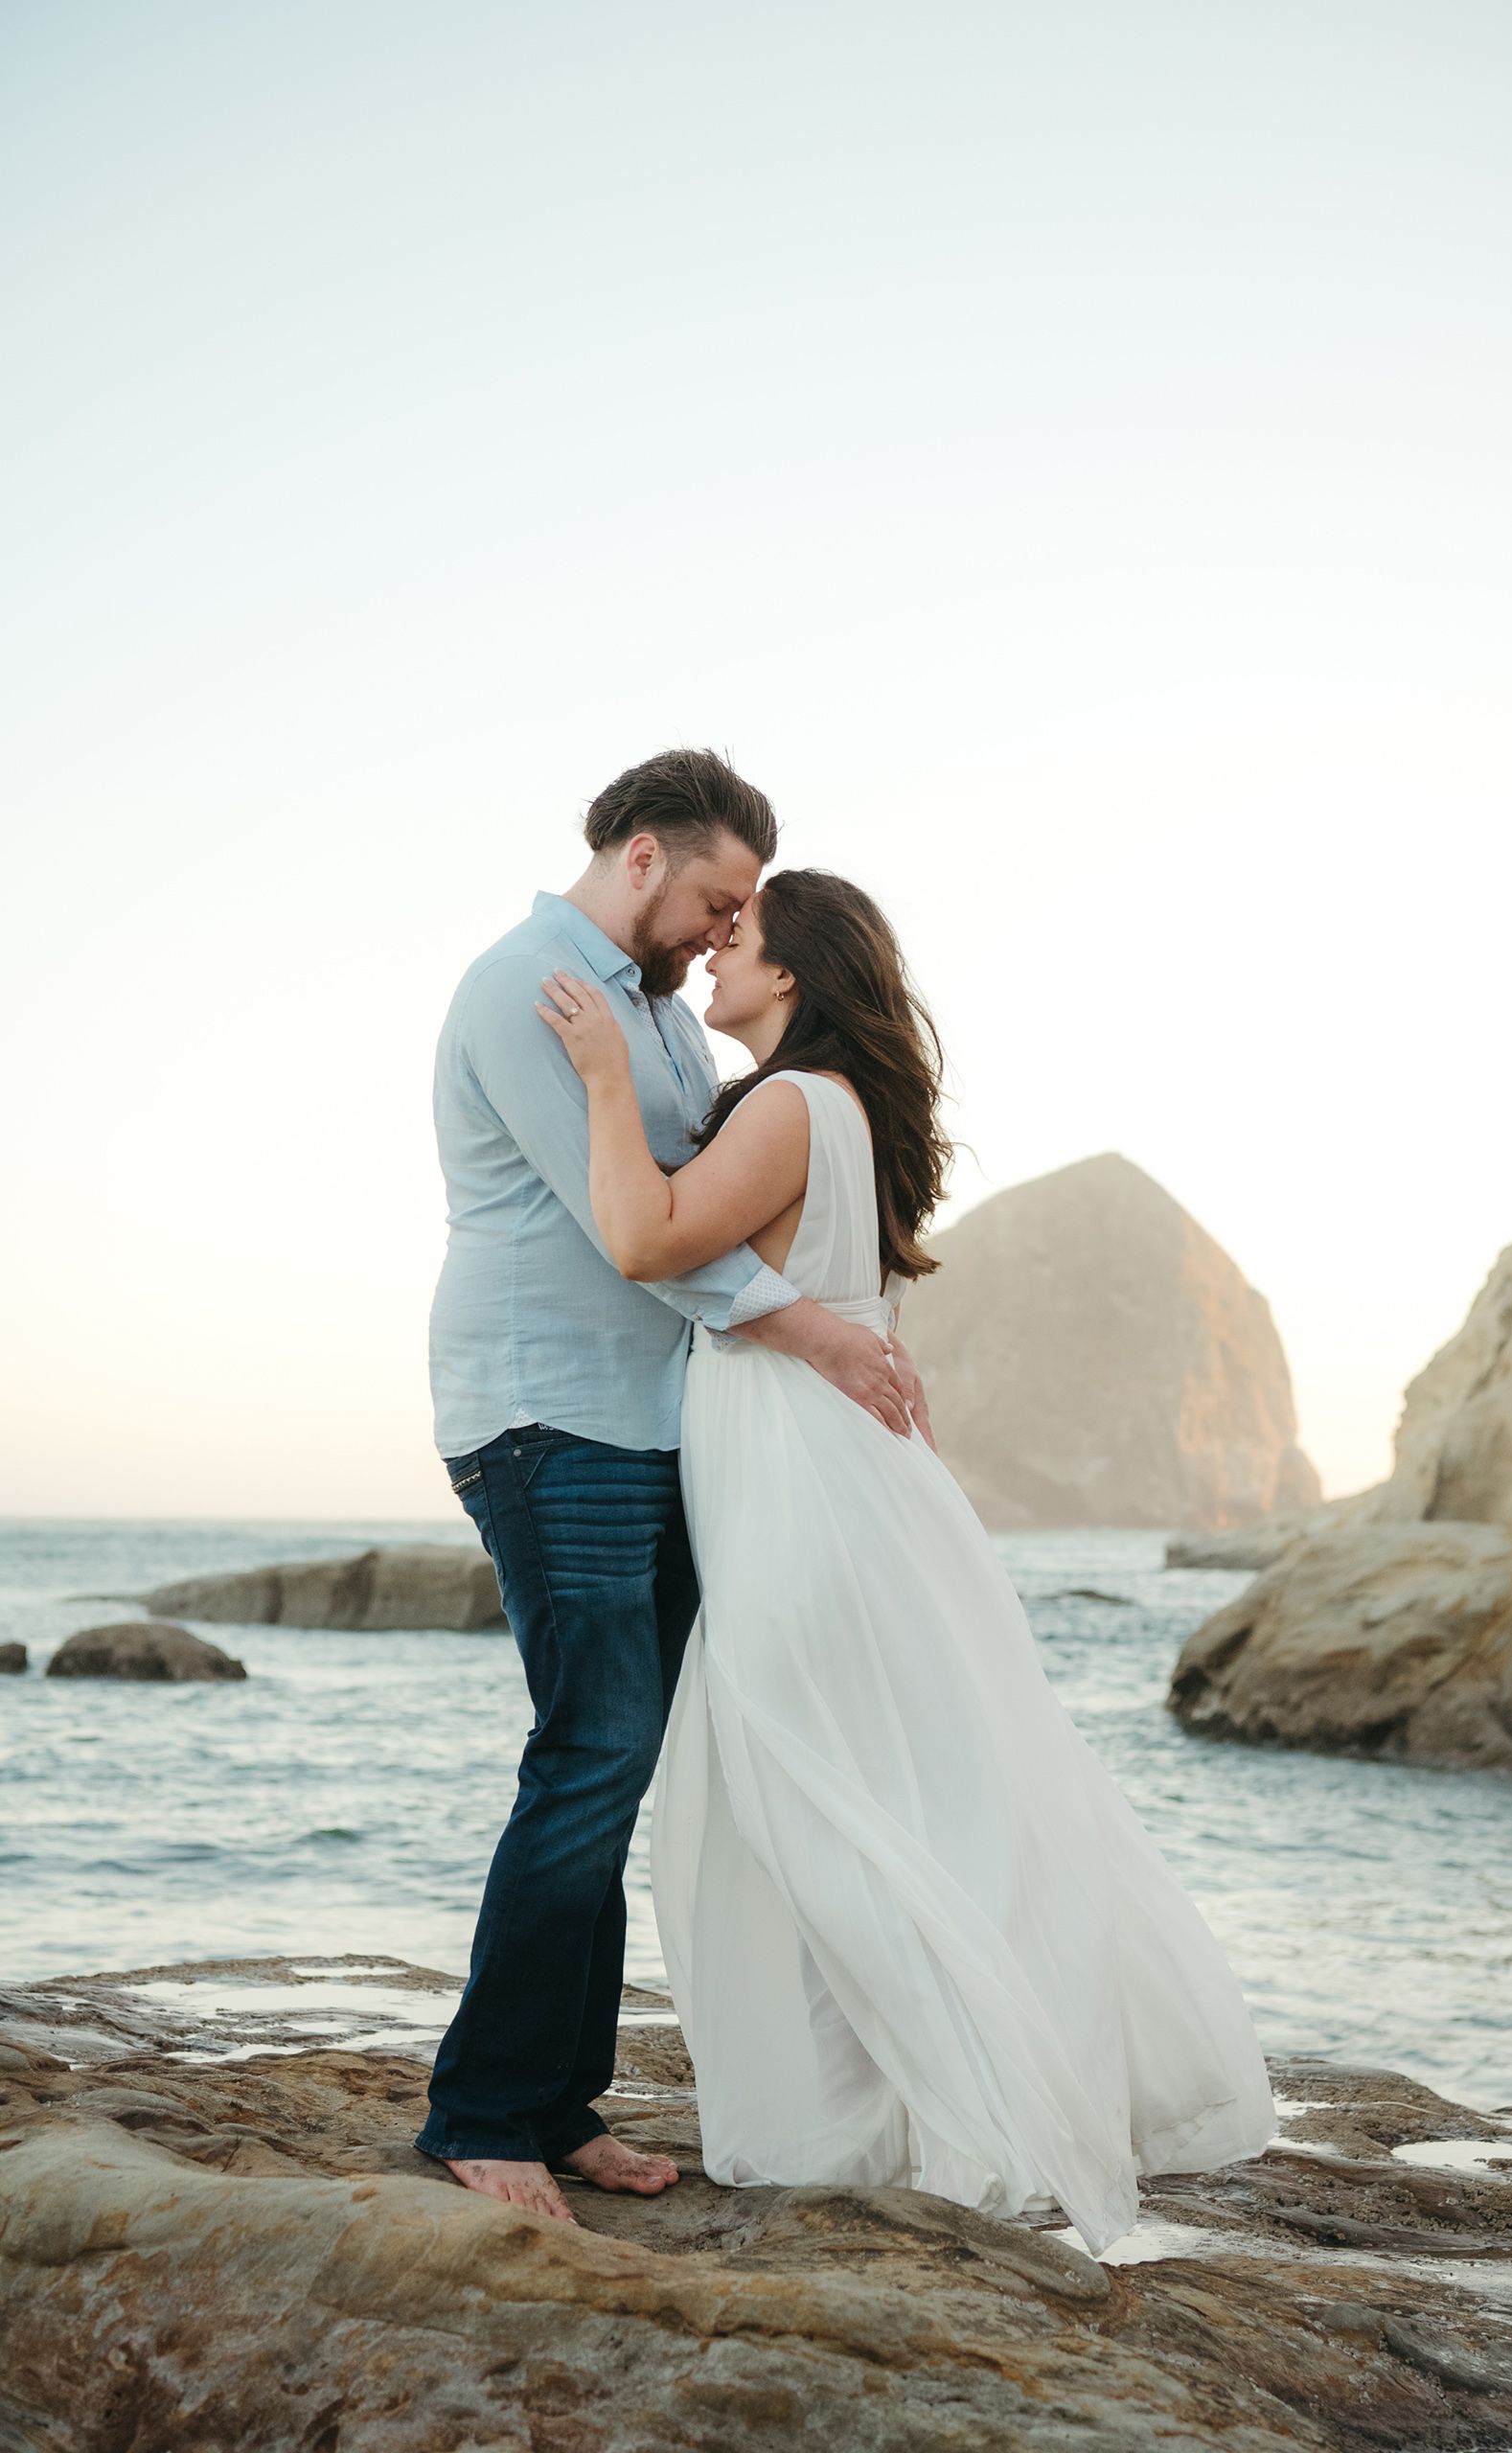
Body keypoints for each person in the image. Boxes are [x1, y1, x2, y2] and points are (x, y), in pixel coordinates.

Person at [536, 866, 1278, 2252]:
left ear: (796, 974)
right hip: (839, 1468)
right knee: (889, 1782)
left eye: (739, 938)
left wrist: (594, 1077)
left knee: (807, 1788)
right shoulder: (847, 1112)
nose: (712, 958)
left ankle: (925, 2104)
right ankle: (916, 2087)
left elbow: (645, 1241)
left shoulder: (785, 1108)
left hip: (797, 1477)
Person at [418, 752, 928, 2228]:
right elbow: (631, 1231)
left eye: (742, 917)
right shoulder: (531, 988)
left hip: (654, 1427)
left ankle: (555, 2099)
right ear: (643, 858)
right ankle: (483, 2112)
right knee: (592, 1752)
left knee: (615, 1762)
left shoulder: (657, 1024)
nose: (724, 932)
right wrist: (829, 1334)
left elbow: (712, 1208)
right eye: (716, 900)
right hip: (547, 1414)